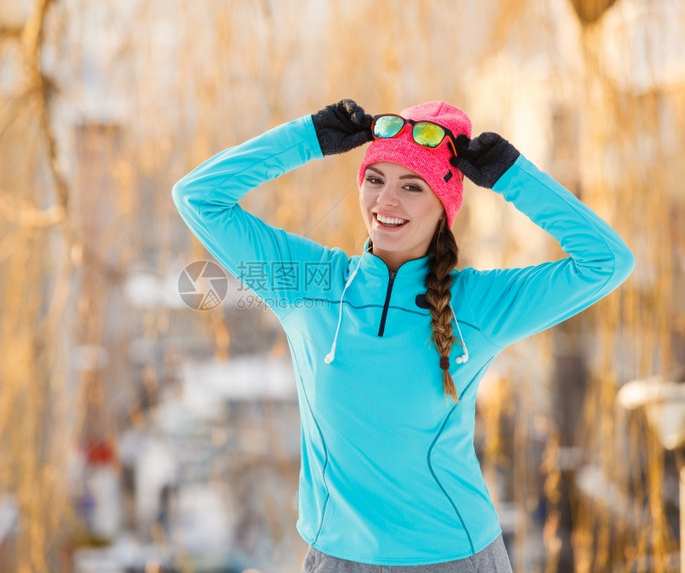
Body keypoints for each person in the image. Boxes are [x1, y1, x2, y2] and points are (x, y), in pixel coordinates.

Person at [171, 99, 634, 572]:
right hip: (337, 559)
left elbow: (607, 261)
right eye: (375, 180)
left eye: (412, 186)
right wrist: (308, 138)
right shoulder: (310, 285)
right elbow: (197, 196)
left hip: (455, 558)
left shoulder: (475, 305)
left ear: (442, 209)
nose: (385, 202)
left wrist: (510, 176)